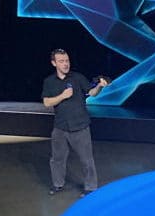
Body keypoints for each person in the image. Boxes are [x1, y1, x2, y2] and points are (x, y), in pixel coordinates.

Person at [42, 48, 108, 197]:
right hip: (60, 127)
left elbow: (91, 93)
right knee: (57, 159)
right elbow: (46, 102)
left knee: (86, 160)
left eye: (67, 61)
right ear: (54, 63)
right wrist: (62, 96)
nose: (65, 64)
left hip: (80, 126)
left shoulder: (77, 78)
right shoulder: (49, 82)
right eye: (61, 61)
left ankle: (91, 187)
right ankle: (57, 184)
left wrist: (99, 86)